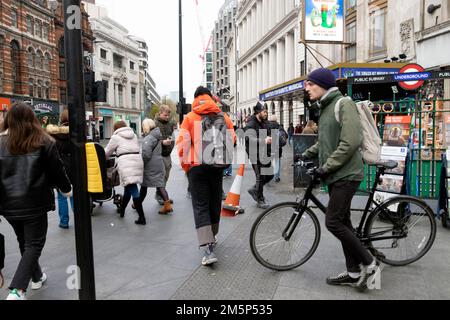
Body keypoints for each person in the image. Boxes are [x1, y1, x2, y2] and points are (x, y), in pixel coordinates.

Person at [301, 68, 378, 292]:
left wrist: (325, 168)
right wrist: (304, 155)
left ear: (323, 84)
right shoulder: (324, 108)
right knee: (344, 223)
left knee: (333, 222)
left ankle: (370, 264)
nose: (307, 88)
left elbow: (350, 143)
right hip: (336, 174)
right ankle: (354, 272)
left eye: (310, 84)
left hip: (347, 174)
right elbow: (325, 142)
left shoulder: (343, 104)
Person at [0, 103, 72, 300]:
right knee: (34, 244)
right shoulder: (44, 141)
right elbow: (57, 171)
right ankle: (17, 290)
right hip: (35, 203)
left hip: (8, 205)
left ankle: (37, 276)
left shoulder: (0, 143)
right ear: (32, 119)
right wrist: (66, 189)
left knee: (25, 241)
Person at [177, 86, 236, 266]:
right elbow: (232, 139)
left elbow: (182, 145)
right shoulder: (223, 116)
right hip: (216, 166)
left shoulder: (189, 117)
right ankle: (214, 234)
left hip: (196, 167)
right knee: (214, 202)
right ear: (210, 98)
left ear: (195, 98)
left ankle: (208, 249)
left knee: (200, 206)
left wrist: (187, 167)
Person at [105, 121, 146, 225]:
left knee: (133, 190)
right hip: (137, 162)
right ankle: (122, 211)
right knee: (128, 188)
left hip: (126, 164)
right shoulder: (134, 135)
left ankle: (142, 217)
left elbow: (107, 152)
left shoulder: (116, 137)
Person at [139, 118, 173, 215]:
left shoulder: (149, 138)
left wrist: (142, 162)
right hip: (159, 162)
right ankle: (167, 205)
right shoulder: (157, 135)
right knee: (160, 185)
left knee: (143, 186)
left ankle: (137, 203)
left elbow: (146, 154)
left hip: (150, 165)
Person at [46, 110, 74, 229]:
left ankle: (64, 222)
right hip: (74, 166)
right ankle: (80, 218)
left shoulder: (53, 134)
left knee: (62, 196)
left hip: (60, 166)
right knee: (74, 195)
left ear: (61, 120)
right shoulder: (76, 133)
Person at [245, 102, 274, 209]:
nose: (266, 113)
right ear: (258, 112)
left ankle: (254, 189)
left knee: (270, 175)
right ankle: (260, 200)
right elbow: (248, 137)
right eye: (264, 111)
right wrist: (263, 140)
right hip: (254, 154)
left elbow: (271, 131)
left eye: (266, 111)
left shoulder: (265, 122)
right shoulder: (251, 122)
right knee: (260, 177)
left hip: (264, 153)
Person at [154, 105, 175, 206]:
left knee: (166, 176)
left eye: (168, 115)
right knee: (160, 177)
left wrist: (171, 143)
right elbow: (151, 140)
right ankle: (160, 196)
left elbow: (172, 136)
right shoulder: (154, 124)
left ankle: (162, 194)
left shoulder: (170, 124)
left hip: (167, 154)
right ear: (160, 113)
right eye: (165, 115)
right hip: (158, 154)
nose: (167, 117)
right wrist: (162, 142)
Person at [268, 115, 284, 183]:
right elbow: (285, 135)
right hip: (277, 148)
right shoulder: (279, 126)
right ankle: (276, 177)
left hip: (268, 148)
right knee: (277, 163)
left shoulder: (266, 126)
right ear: (276, 120)